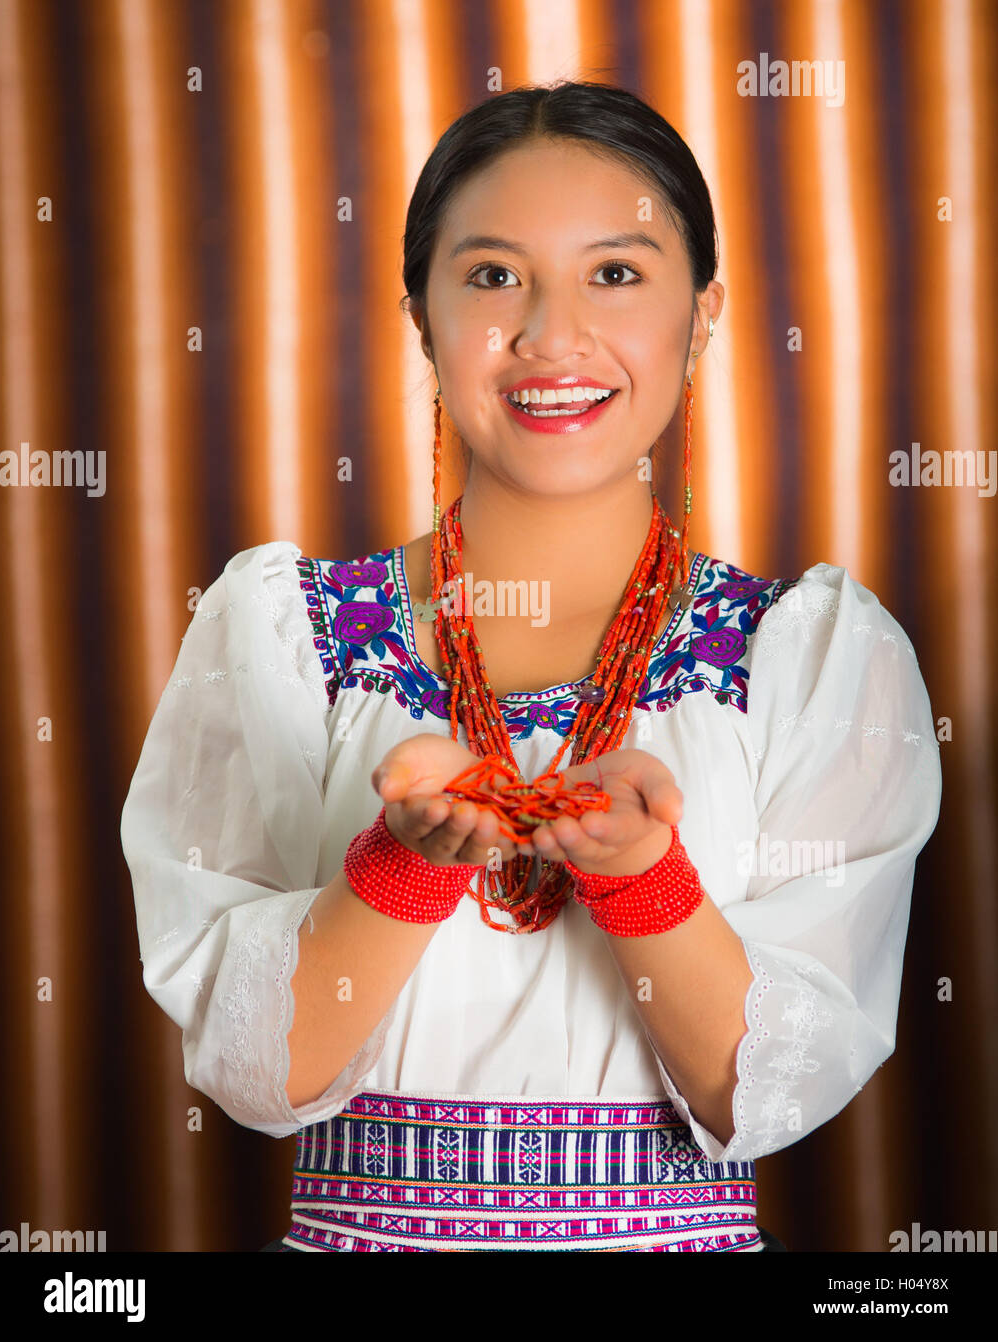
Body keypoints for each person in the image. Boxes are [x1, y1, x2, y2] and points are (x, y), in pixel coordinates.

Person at [120, 81, 942, 1253]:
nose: (551, 337)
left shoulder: (804, 660)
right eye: (493, 275)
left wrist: (643, 874)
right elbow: (261, 1066)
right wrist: (398, 868)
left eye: (615, 272)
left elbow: (759, 1091)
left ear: (702, 314)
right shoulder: (281, 636)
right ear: (420, 317)